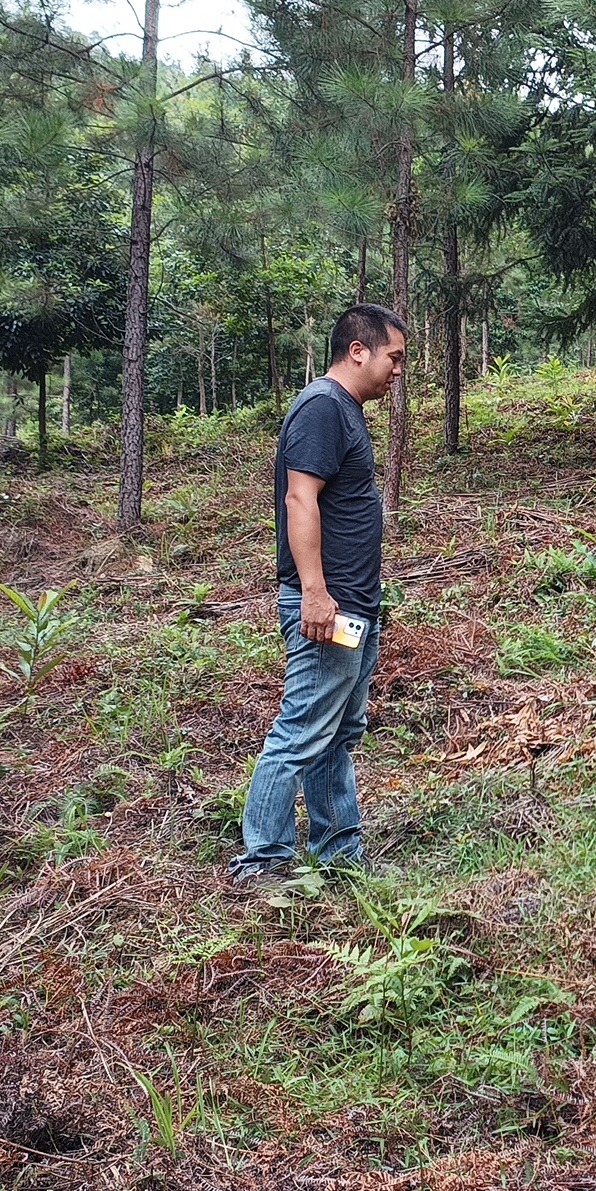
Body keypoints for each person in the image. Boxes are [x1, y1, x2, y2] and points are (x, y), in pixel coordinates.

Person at [236, 304, 406, 886]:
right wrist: (314, 593)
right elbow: (299, 501)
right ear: (358, 350)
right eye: (394, 356)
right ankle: (263, 859)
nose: (397, 370)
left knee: (337, 731)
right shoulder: (323, 408)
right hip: (326, 605)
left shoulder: (346, 411)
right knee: (303, 728)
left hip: (355, 603)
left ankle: (337, 850)